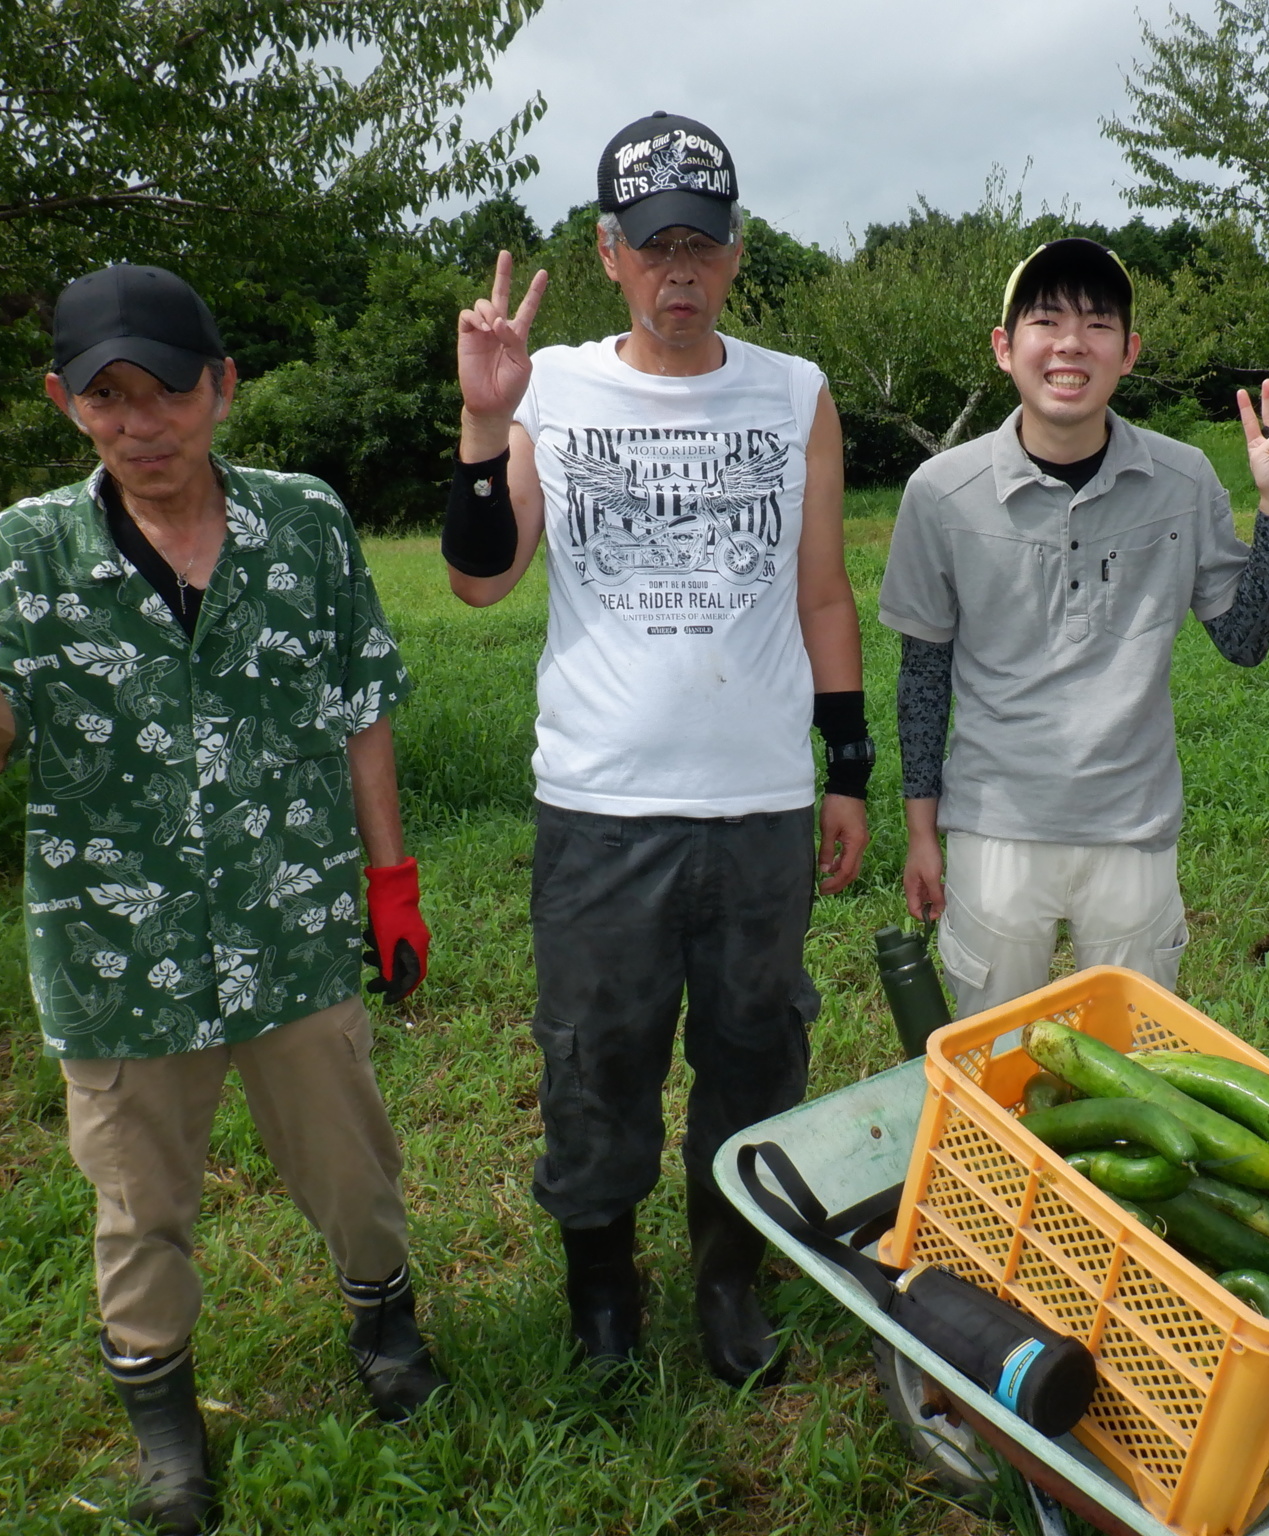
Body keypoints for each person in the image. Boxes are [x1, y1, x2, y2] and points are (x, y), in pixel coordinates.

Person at [0, 264, 444, 1534]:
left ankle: (385, 1327)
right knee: (139, 1209)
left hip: (291, 930)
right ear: (65, 403)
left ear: (222, 387)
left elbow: (361, 712)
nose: (141, 424)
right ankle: (165, 1424)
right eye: (106, 396)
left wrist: (388, 883)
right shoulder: (28, 548)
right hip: (115, 950)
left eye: (167, 390)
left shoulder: (305, 524)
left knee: (351, 1168)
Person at [440, 111, 871, 1387]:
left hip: (757, 809)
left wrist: (844, 770)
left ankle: (727, 1277)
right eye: (652, 247)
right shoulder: (555, 386)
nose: (678, 273)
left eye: (702, 245)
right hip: (600, 807)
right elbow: (478, 580)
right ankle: (603, 1294)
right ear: (609, 252)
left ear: (737, 253)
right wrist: (482, 429)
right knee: (596, 1056)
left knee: (755, 1048)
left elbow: (824, 595)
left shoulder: (793, 392)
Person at [877, 237, 1269, 1016]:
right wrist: (921, 833)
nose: (1072, 342)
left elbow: (1243, 643)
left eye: (1098, 322)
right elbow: (923, 673)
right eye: (1046, 320)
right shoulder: (941, 493)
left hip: (1133, 826)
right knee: (993, 1069)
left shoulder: (1184, 479)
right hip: (994, 827)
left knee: (1135, 1071)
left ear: (1130, 352)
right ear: (1005, 348)